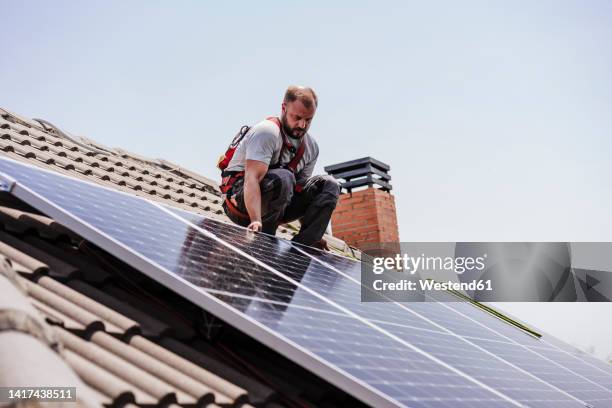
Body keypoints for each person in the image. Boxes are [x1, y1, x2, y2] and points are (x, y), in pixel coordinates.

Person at [221, 85, 341, 249]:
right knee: (285, 176)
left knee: (330, 185)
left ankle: (306, 245)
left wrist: (314, 230)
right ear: (284, 108)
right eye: (297, 117)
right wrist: (256, 219)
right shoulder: (267, 132)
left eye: (308, 120)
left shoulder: (311, 147)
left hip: (278, 206)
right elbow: (251, 178)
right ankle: (264, 239)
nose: (302, 125)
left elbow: (299, 190)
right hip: (241, 202)